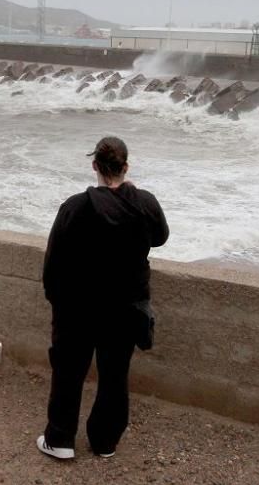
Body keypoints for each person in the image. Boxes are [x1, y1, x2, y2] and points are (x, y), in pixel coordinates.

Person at [37, 136, 169, 460]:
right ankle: (105, 442)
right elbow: (161, 237)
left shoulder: (74, 208)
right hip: (125, 309)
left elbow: (52, 266)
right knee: (114, 376)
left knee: (69, 373)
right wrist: (133, 195)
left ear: (94, 166)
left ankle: (61, 440)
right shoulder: (144, 204)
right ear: (125, 167)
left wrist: (57, 304)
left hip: (77, 310)